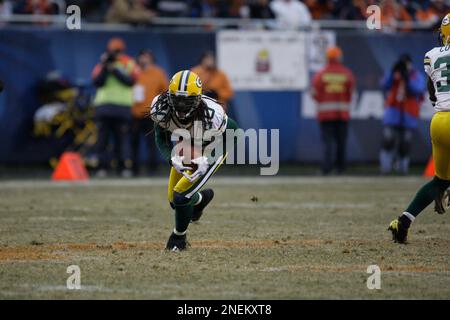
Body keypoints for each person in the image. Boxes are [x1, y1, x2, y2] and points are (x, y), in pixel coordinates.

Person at [149, 70, 239, 251]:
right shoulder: (161, 107)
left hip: (214, 147)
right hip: (188, 146)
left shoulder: (213, 114)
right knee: (175, 202)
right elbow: (161, 138)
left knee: (181, 195)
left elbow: (233, 132)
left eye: (187, 101)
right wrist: (172, 158)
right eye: (177, 99)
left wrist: (207, 159)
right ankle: (200, 199)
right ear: (169, 96)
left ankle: (178, 238)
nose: (181, 106)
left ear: (198, 99)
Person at [388, 13, 450, 244]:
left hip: (440, 121)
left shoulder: (432, 56)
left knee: (440, 181)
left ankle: (402, 222)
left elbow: (432, 93)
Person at [91, 37, 139, 177]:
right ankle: (102, 168)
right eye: (113, 51)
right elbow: (97, 82)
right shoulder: (102, 64)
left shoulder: (129, 63)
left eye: (117, 51)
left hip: (122, 108)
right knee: (102, 140)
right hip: (104, 106)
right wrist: (106, 67)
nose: (116, 54)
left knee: (122, 140)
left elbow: (130, 81)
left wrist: (115, 70)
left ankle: (123, 167)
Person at [311, 46, 355, 175]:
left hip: (325, 114)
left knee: (328, 143)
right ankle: (340, 169)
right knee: (341, 142)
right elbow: (351, 93)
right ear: (338, 57)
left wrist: (323, 101)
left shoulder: (321, 73)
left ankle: (326, 169)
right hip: (342, 114)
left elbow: (314, 93)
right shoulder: (346, 73)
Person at [379, 54, 425, 175]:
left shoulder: (416, 75)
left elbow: (419, 89)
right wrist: (392, 73)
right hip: (393, 111)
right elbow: (384, 85)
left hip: (408, 113)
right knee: (388, 140)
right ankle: (385, 169)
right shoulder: (394, 73)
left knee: (405, 143)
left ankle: (402, 170)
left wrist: (407, 79)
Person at [131, 49, 169, 175]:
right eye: (142, 56)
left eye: (147, 57)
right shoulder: (133, 71)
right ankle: (134, 169)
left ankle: (152, 168)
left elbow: (165, 91)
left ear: (151, 59)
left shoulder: (158, 73)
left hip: (151, 113)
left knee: (152, 143)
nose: (144, 59)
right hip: (134, 113)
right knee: (133, 143)